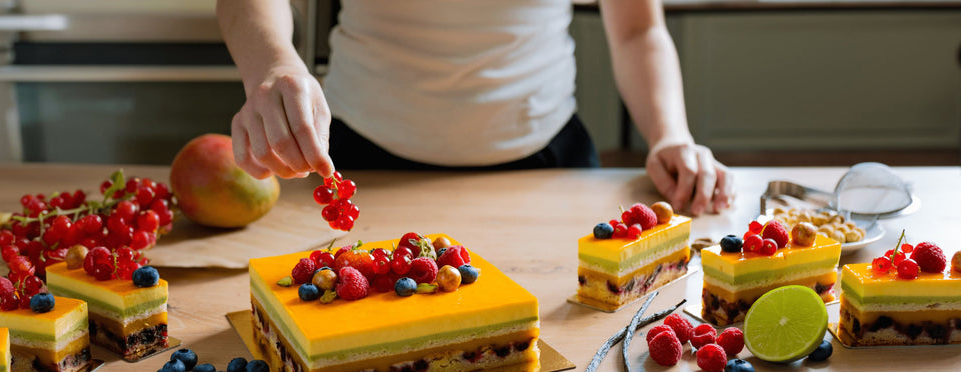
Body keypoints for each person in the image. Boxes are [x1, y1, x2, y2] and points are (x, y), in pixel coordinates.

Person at [218, 0, 734, 215]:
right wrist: (271, 64)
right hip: (362, 162)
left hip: (546, 164)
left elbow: (638, 28)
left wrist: (670, 134)